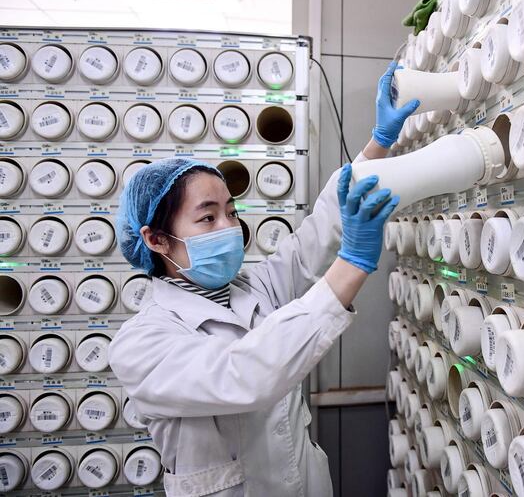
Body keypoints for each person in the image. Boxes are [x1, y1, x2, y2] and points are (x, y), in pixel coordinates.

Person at [109, 62, 420, 497]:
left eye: (232, 213)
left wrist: (377, 145)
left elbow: (321, 229)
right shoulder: (141, 344)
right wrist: (352, 265)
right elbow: (243, 376)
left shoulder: (254, 289)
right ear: (157, 239)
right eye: (208, 217)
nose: (229, 227)